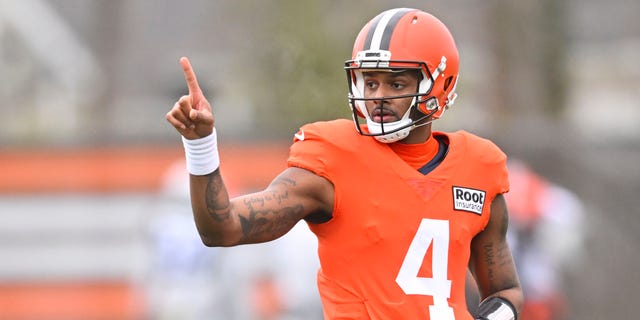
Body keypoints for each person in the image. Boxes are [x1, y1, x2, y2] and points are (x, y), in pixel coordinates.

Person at [166, 7, 523, 320]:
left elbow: (505, 291)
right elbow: (221, 228)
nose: (378, 97)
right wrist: (201, 145)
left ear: (439, 86)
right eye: (370, 82)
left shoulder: (477, 167)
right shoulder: (333, 159)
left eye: (395, 83)